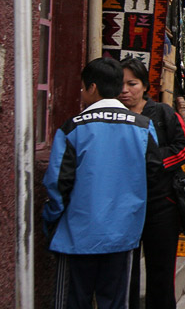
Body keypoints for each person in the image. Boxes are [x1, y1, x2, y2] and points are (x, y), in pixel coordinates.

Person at [43, 57, 161, 309]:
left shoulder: (72, 128)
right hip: (123, 233)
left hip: (77, 235)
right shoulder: (143, 126)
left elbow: (57, 184)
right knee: (116, 302)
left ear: (92, 88)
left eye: (83, 87)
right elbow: (153, 176)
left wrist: (51, 220)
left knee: (73, 301)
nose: (83, 93)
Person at [119, 57, 185, 309]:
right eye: (121, 84)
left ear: (144, 85)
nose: (125, 90)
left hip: (161, 204)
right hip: (123, 206)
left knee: (161, 274)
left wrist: (155, 161)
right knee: (125, 274)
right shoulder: (114, 117)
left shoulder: (162, 113)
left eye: (132, 83)